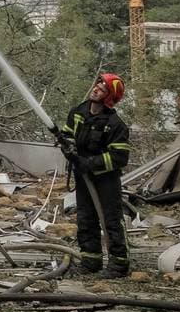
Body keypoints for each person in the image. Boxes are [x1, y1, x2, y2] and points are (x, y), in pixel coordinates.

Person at [56, 72, 133, 277]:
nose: (97, 87)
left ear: (109, 97)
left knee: (111, 220)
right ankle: (91, 261)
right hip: (83, 176)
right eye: (98, 83)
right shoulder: (78, 112)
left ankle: (118, 264)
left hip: (106, 179)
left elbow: (119, 157)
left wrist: (88, 163)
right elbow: (67, 135)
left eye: (103, 87)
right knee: (85, 218)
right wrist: (68, 148)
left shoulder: (116, 125)